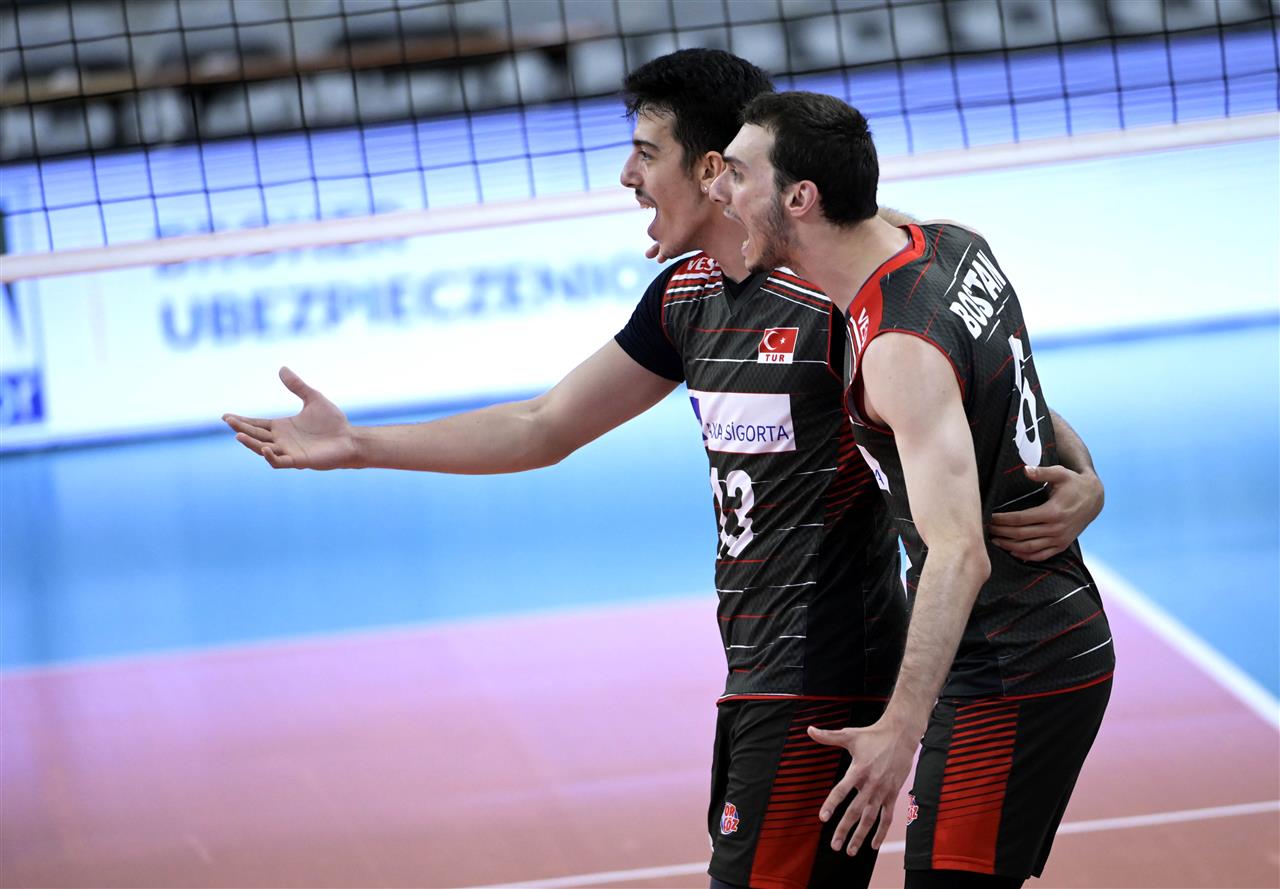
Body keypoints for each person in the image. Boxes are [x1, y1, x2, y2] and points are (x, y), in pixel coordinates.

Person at [223, 52, 1105, 889]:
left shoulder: (838, 301)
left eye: (647, 153)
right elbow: (542, 425)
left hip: (827, 669)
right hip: (757, 667)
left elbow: (969, 378)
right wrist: (360, 444)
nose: (627, 176)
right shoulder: (686, 298)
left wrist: (1082, 478)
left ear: (716, 170)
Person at [708, 91, 1114, 888]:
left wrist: (899, 728)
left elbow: (959, 552)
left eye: (739, 174)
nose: (721, 188)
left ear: (802, 197)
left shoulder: (896, 347)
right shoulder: (954, 246)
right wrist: (1089, 475)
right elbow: (1009, 384)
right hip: (1040, 642)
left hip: (1013, 664)